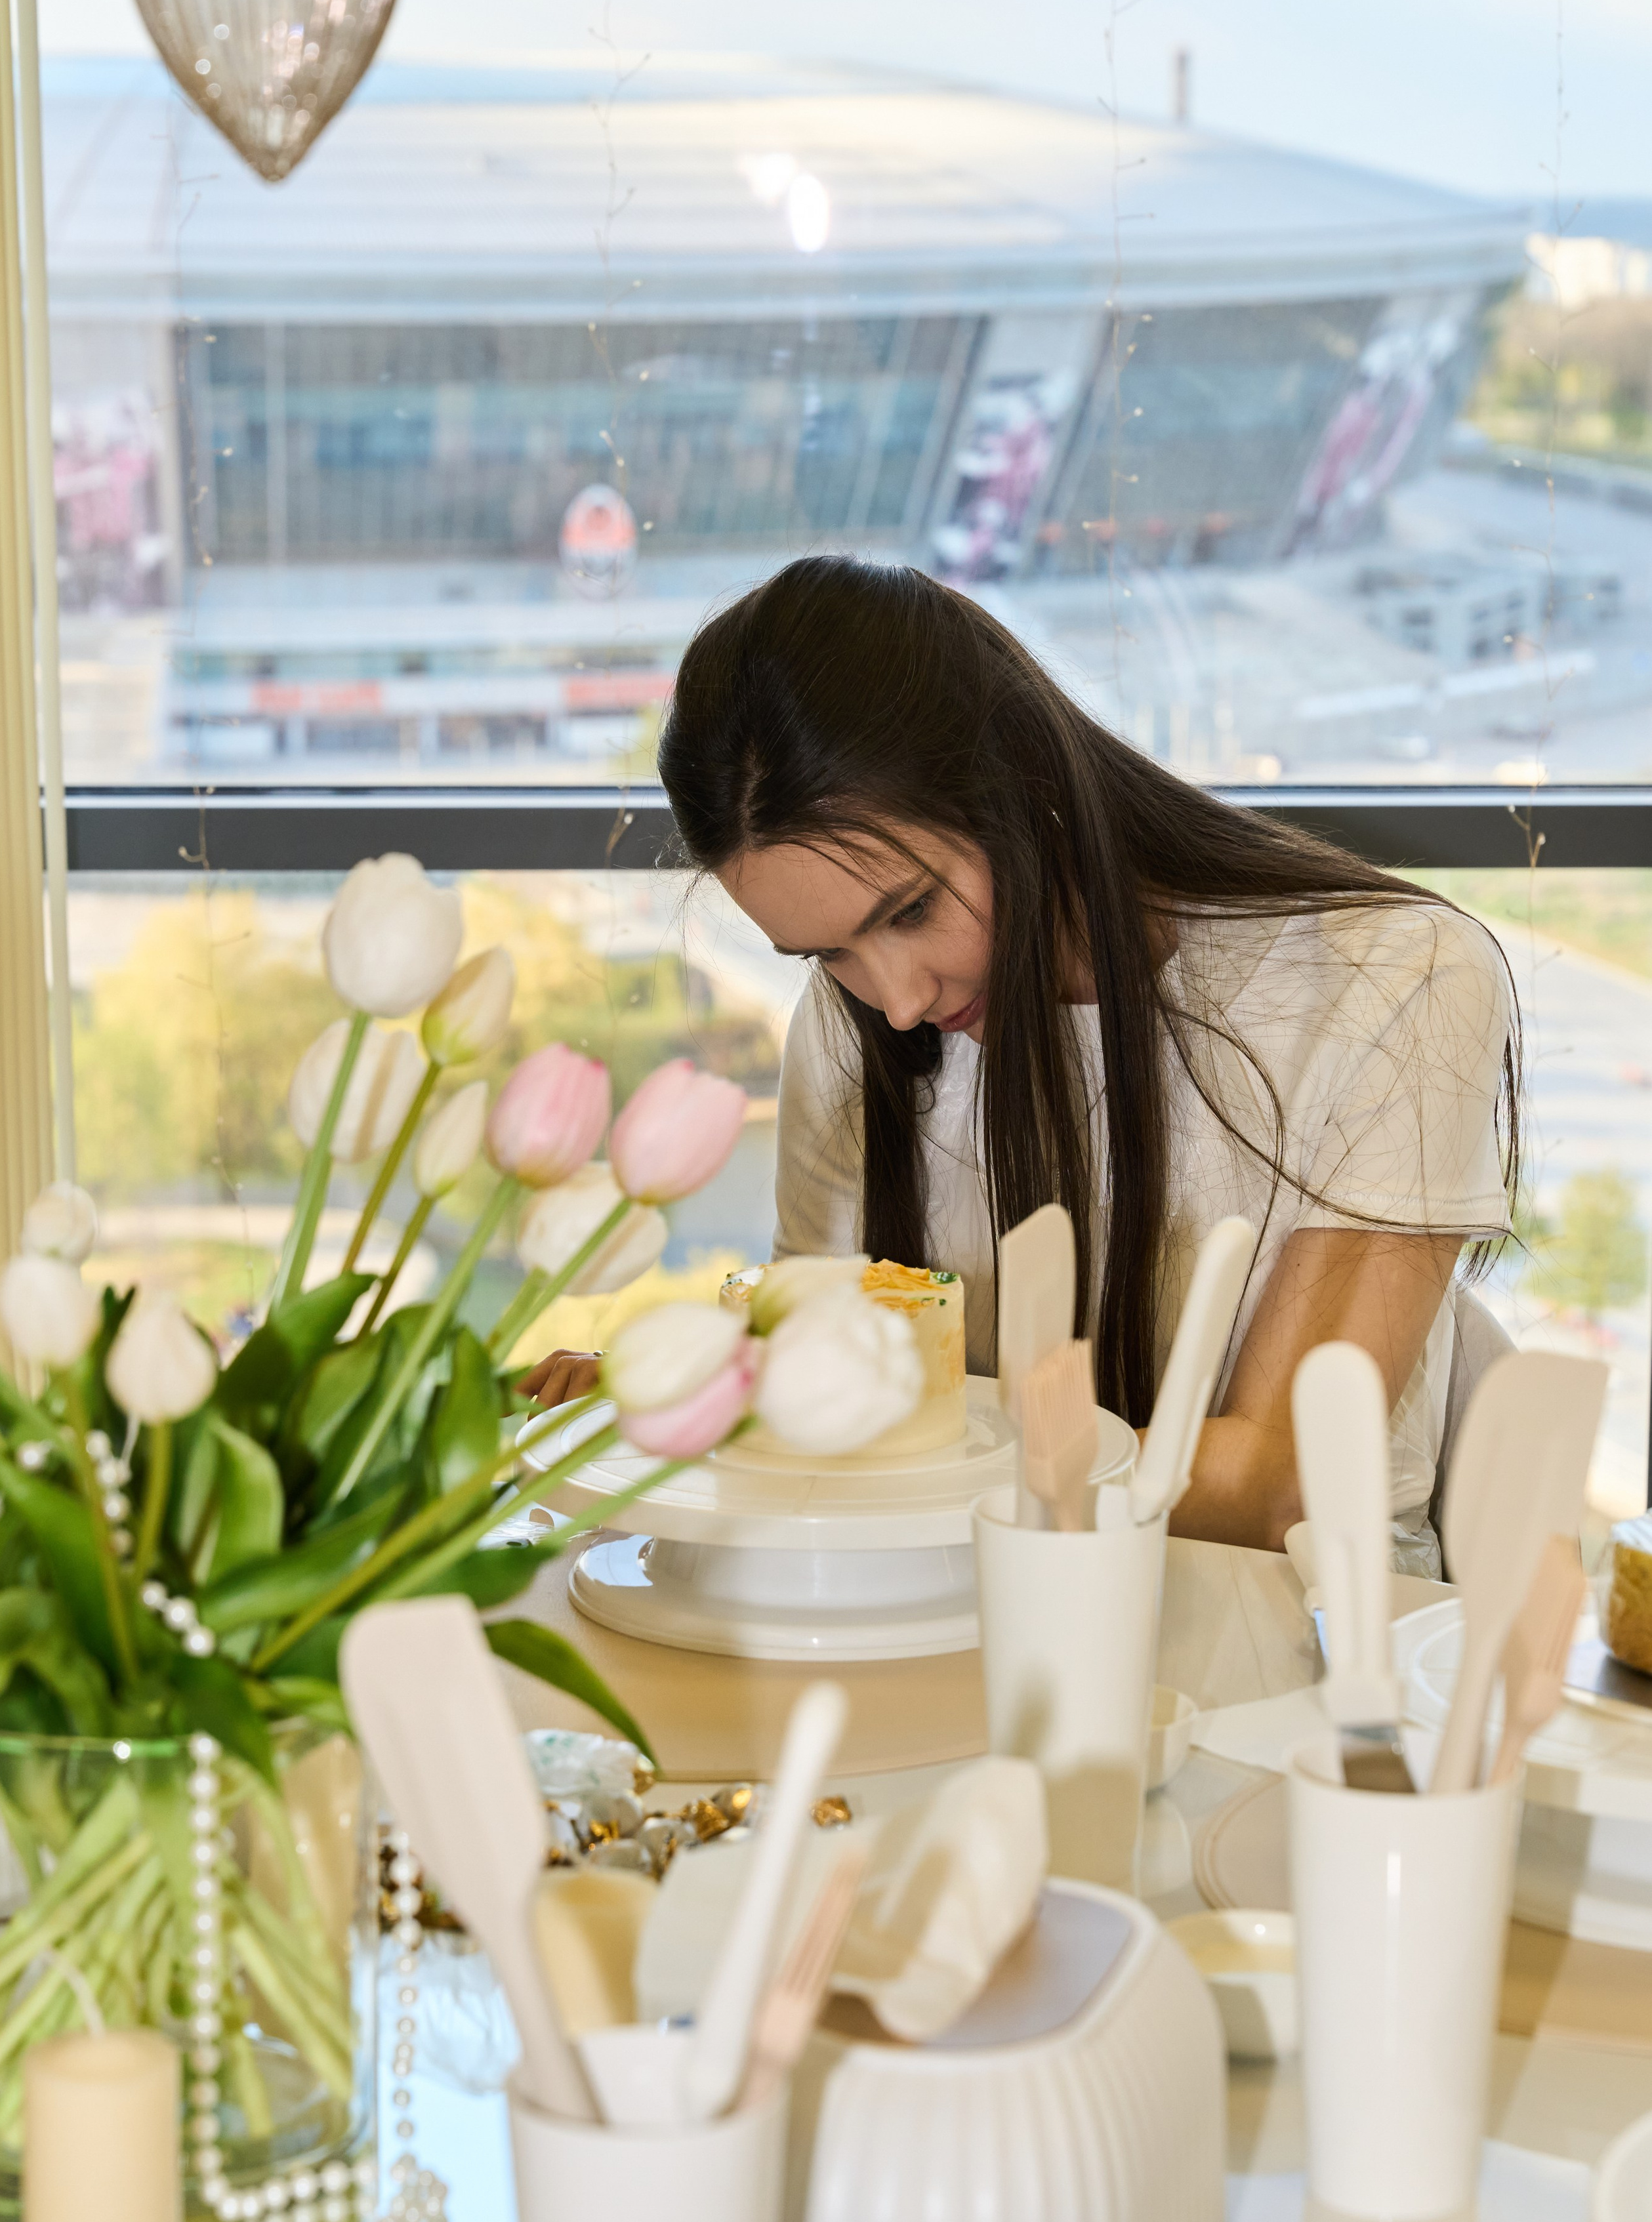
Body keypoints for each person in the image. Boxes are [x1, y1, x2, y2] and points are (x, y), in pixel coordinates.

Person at [526, 555, 1518, 1573]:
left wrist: (889, 1451)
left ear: (1021, 778)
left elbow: (1272, 1486)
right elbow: (827, 1386)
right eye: (826, 953)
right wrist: (694, 1399)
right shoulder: (851, 1025)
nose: (899, 999)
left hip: (1291, 1652)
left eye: (909, 911)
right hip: (960, 1620)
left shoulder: (1394, 981)